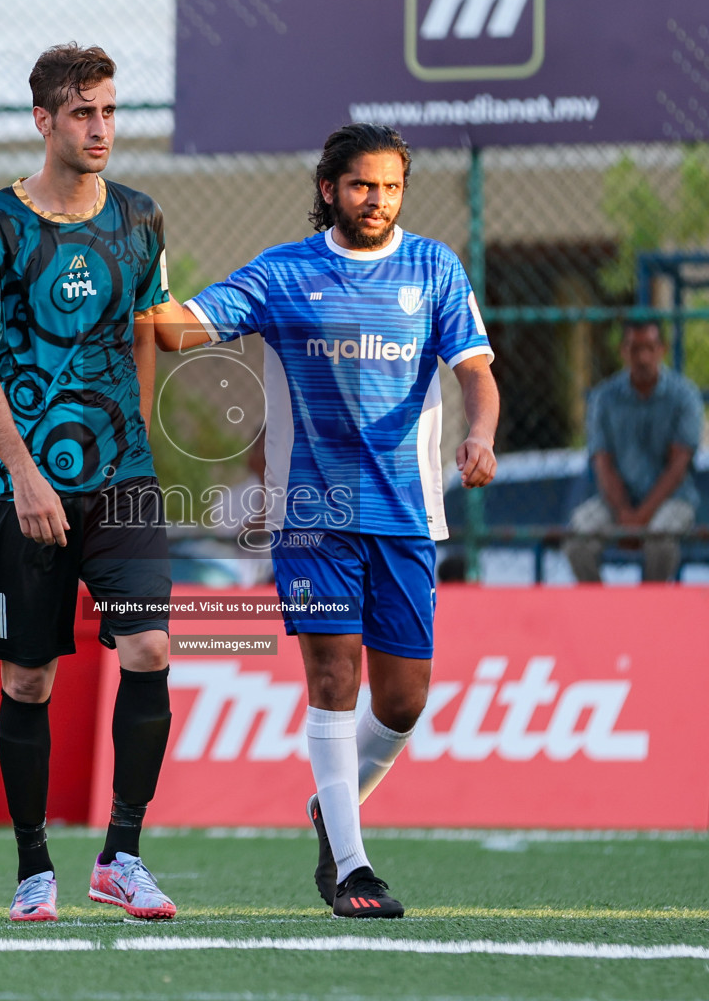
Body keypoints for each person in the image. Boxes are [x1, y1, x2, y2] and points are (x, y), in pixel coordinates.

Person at [151, 123, 499, 918]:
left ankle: (328, 807)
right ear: (328, 189)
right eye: (361, 186)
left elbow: (476, 372)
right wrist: (147, 265)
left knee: (403, 700)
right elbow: (176, 332)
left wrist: (479, 434)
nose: (376, 201)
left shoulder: (434, 268)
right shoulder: (284, 273)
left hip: (406, 515)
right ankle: (352, 866)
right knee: (334, 677)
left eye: (390, 187)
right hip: (311, 513)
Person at [0, 44, 177, 923]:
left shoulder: (142, 217)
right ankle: (33, 867)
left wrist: (139, 440)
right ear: (43, 120)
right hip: (23, 487)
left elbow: (149, 327)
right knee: (28, 680)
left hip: (122, 477)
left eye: (110, 111)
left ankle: (122, 856)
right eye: (83, 113)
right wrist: (29, 476)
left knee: (151, 650)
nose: (100, 129)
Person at [563, 321, 702, 584]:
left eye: (649, 348)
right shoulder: (604, 398)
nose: (643, 358)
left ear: (662, 349)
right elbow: (603, 463)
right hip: (616, 500)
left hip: (671, 499)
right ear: (623, 352)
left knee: (660, 539)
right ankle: (602, 612)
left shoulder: (684, 397)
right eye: (635, 349)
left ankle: (650, 609)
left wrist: (642, 516)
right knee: (578, 539)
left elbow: (677, 467)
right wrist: (625, 512)